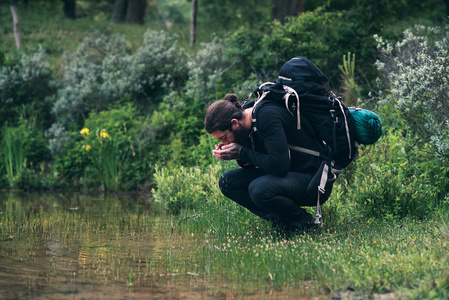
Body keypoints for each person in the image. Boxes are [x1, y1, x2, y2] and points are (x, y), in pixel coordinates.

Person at [204, 94, 334, 232]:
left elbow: (279, 166)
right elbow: (252, 163)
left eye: (224, 137)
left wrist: (242, 152)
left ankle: (305, 223)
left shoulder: (266, 116)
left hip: (313, 179)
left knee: (259, 189)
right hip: (290, 174)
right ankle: (284, 222)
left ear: (234, 123)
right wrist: (235, 153)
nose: (224, 142)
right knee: (227, 181)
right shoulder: (245, 125)